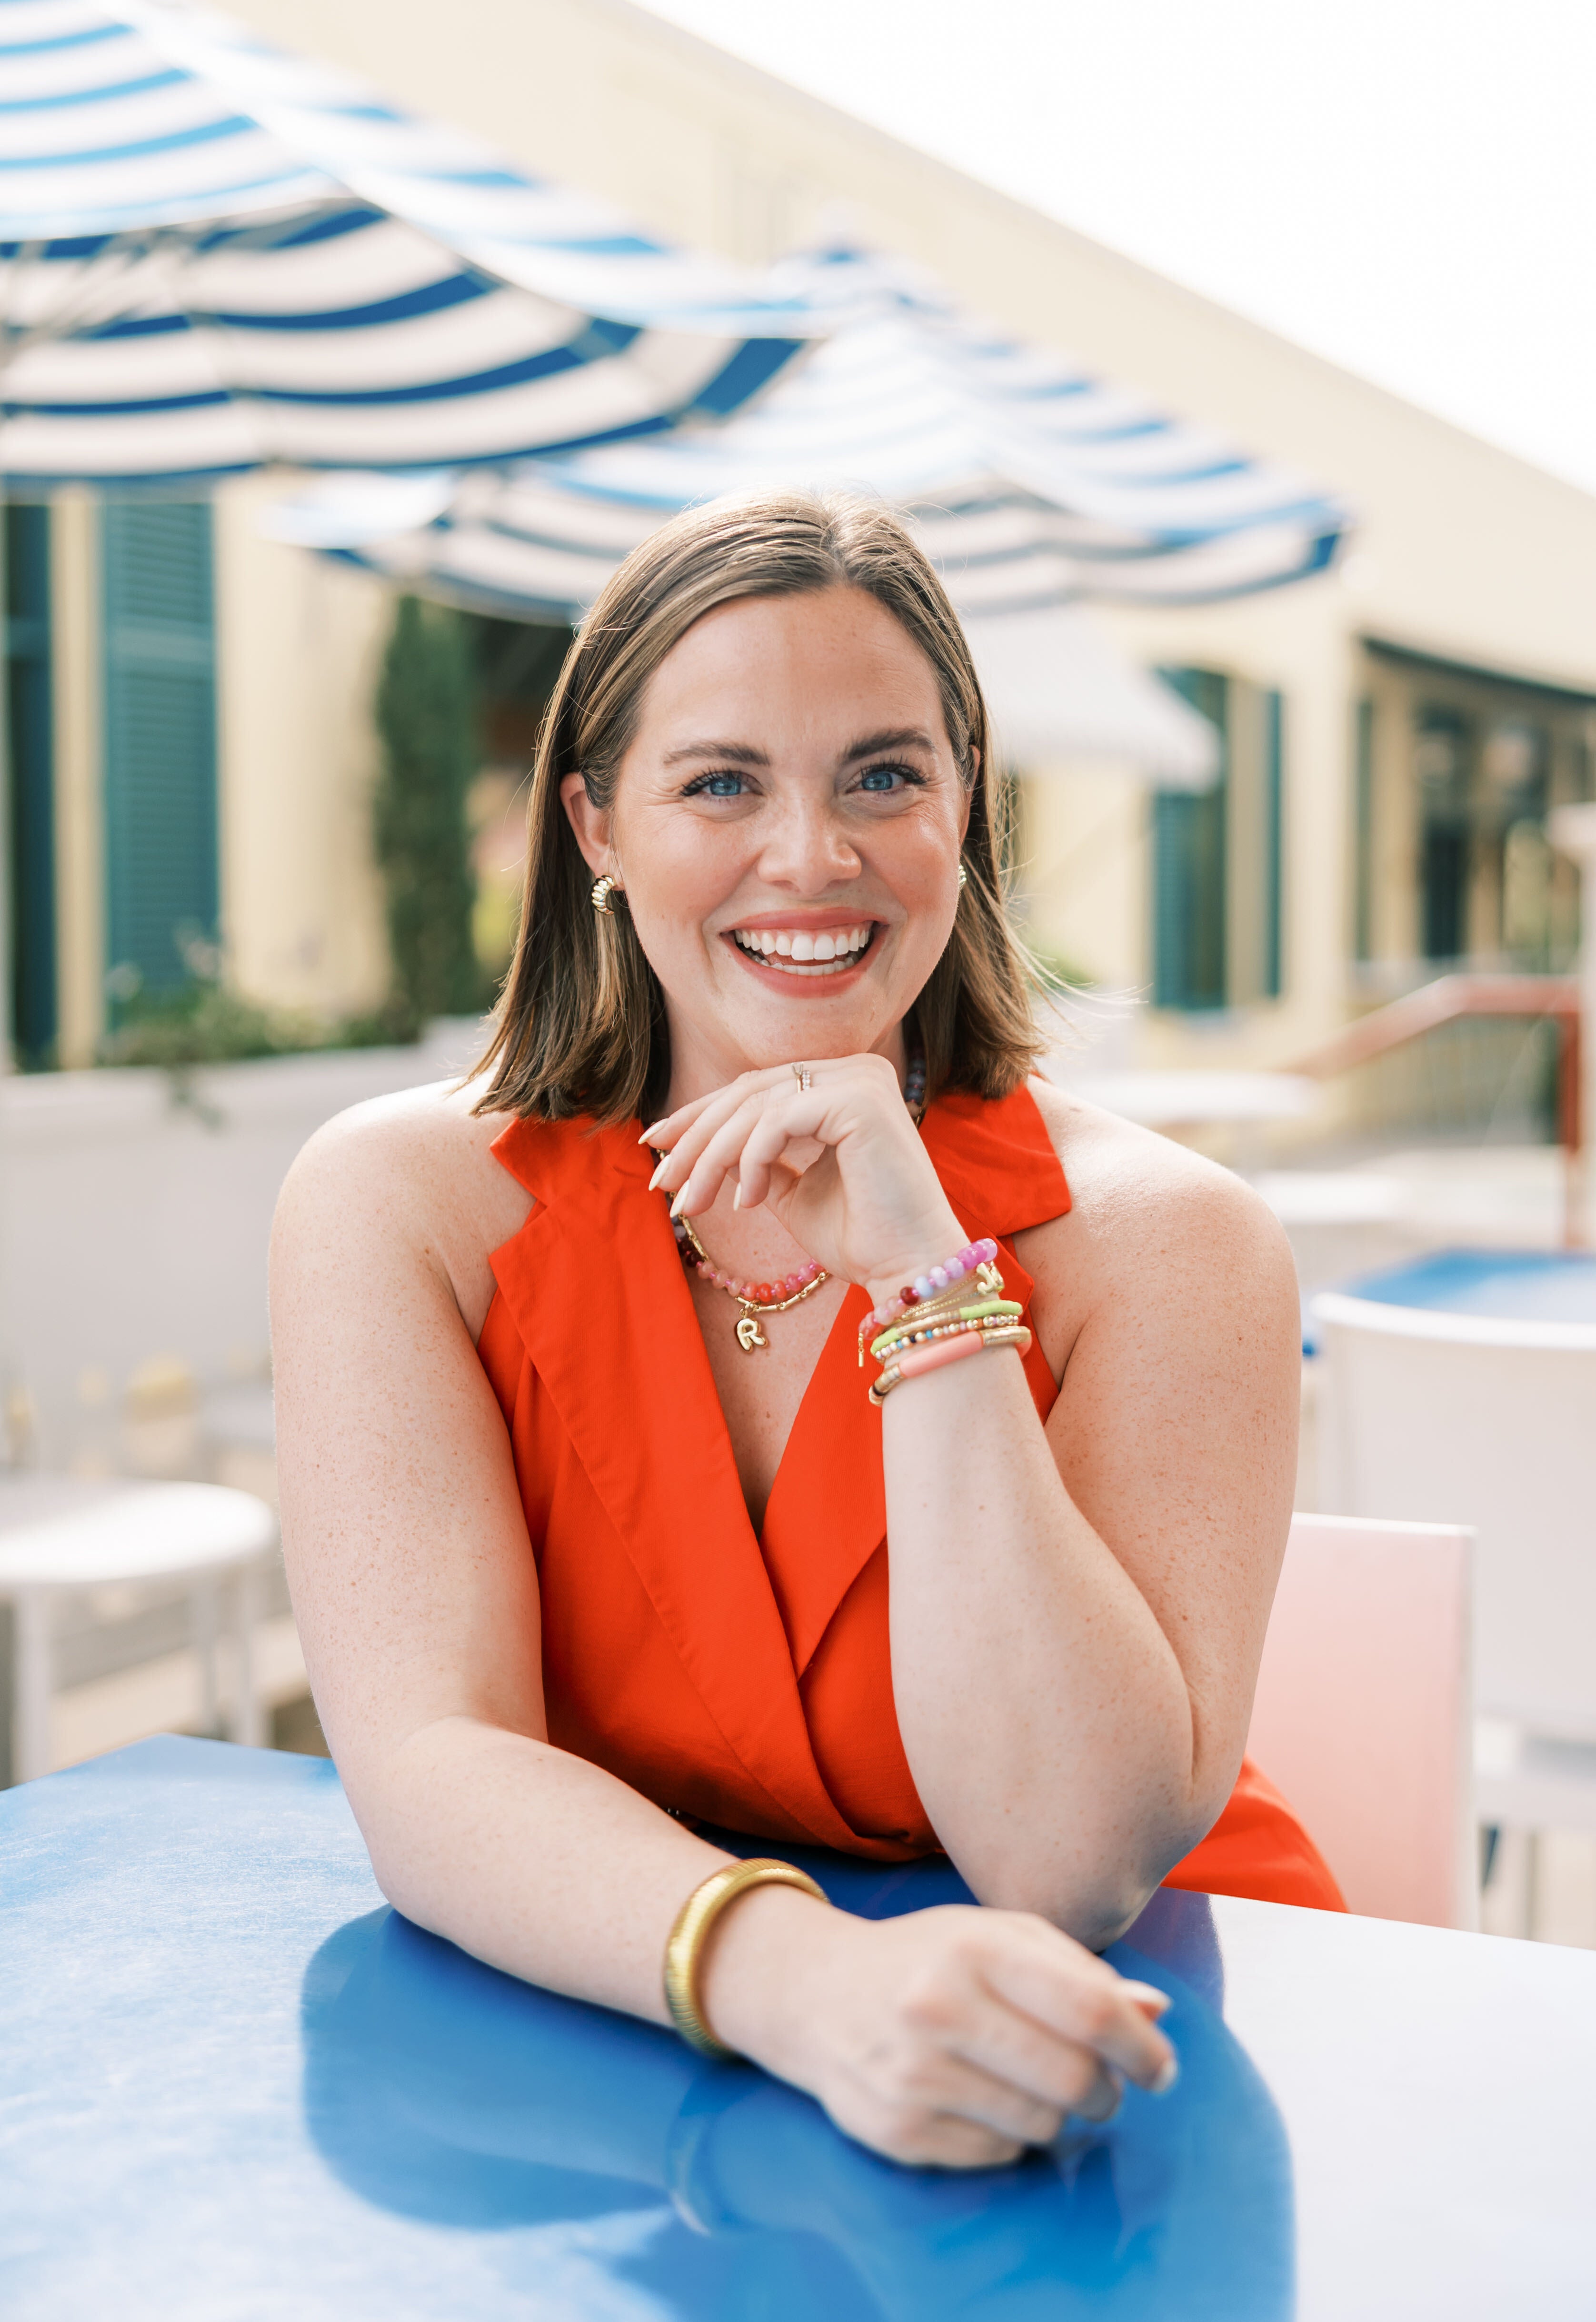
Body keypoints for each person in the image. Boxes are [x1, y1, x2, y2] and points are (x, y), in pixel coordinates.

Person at [272, 491, 1342, 2175]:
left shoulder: (1174, 1242)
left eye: (882, 777)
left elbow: (1068, 1861)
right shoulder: (403, 1207)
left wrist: (927, 1275)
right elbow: (429, 1761)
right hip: (639, 2026)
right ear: (595, 825)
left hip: (1137, 2052)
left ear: (964, 806)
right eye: (720, 782)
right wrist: (805, 1986)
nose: (810, 857)